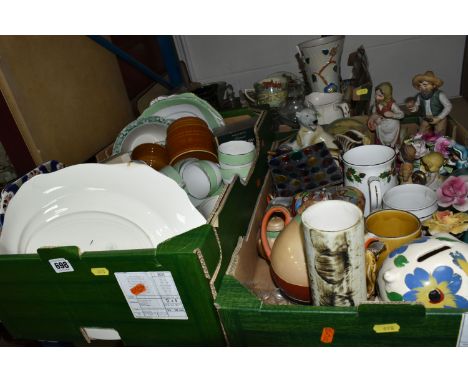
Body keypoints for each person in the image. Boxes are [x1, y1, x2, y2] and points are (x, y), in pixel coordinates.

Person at [406, 70, 452, 135]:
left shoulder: (440, 95)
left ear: (434, 86)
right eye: (420, 85)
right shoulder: (420, 96)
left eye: (425, 85)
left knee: (439, 132)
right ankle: (423, 142)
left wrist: (439, 118)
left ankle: (439, 142)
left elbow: (448, 106)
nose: (421, 87)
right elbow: (417, 105)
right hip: (427, 117)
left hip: (439, 116)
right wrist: (414, 108)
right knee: (422, 131)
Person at [367, 82, 404, 147]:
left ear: (386, 95)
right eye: (376, 94)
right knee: (379, 138)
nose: (377, 97)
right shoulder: (376, 104)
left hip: (392, 127)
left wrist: (392, 115)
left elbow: (401, 114)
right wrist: (373, 118)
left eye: (380, 96)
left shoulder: (392, 104)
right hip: (381, 125)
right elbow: (374, 113)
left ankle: (393, 148)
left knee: (393, 143)